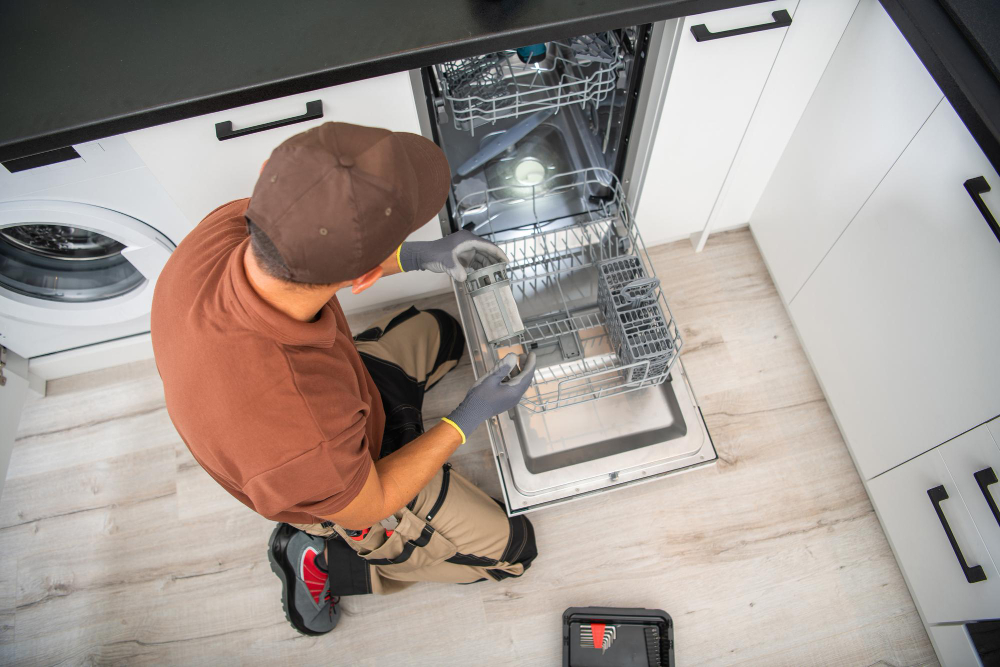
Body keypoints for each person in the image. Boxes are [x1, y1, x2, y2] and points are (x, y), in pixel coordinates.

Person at [151, 122, 538, 636]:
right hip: (347, 480)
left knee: (447, 333)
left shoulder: (223, 231)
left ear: (270, 178)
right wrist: (468, 417)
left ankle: (394, 419)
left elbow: (315, 236)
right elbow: (374, 497)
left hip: (337, 392)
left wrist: (420, 255)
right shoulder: (303, 430)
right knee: (513, 553)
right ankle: (320, 558)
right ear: (361, 279)